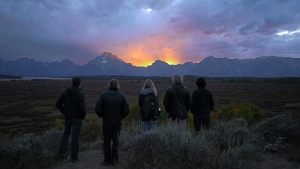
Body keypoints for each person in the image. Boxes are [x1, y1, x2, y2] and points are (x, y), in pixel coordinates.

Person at [95, 79, 129, 166]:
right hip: (117, 122)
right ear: (117, 85)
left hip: (107, 122)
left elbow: (97, 109)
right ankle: (115, 159)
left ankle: (107, 160)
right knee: (116, 141)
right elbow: (126, 110)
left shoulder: (103, 95)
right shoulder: (121, 96)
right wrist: (121, 117)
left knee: (106, 141)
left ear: (109, 85)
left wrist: (103, 115)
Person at [56, 76, 86, 162]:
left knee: (66, 134)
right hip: (77, 118)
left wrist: (65, 112)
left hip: (68, 117)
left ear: (72, 83)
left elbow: (58, 104)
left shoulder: (65, 92)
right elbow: (82, 108)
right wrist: (82, 116)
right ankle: (74, 157)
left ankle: (62, 153)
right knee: (75, 137)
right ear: (80, 83)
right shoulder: (81, 94)